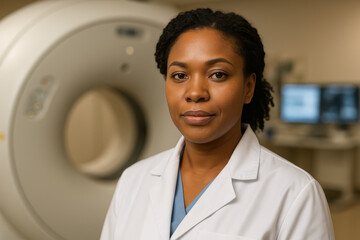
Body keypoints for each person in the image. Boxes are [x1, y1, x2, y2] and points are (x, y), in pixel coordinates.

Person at [100, 8, 334, 240]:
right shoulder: (133, 180)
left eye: (218, 74)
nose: (195, 93)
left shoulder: (295, 193)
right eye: (180, 76)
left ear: (248, 87)